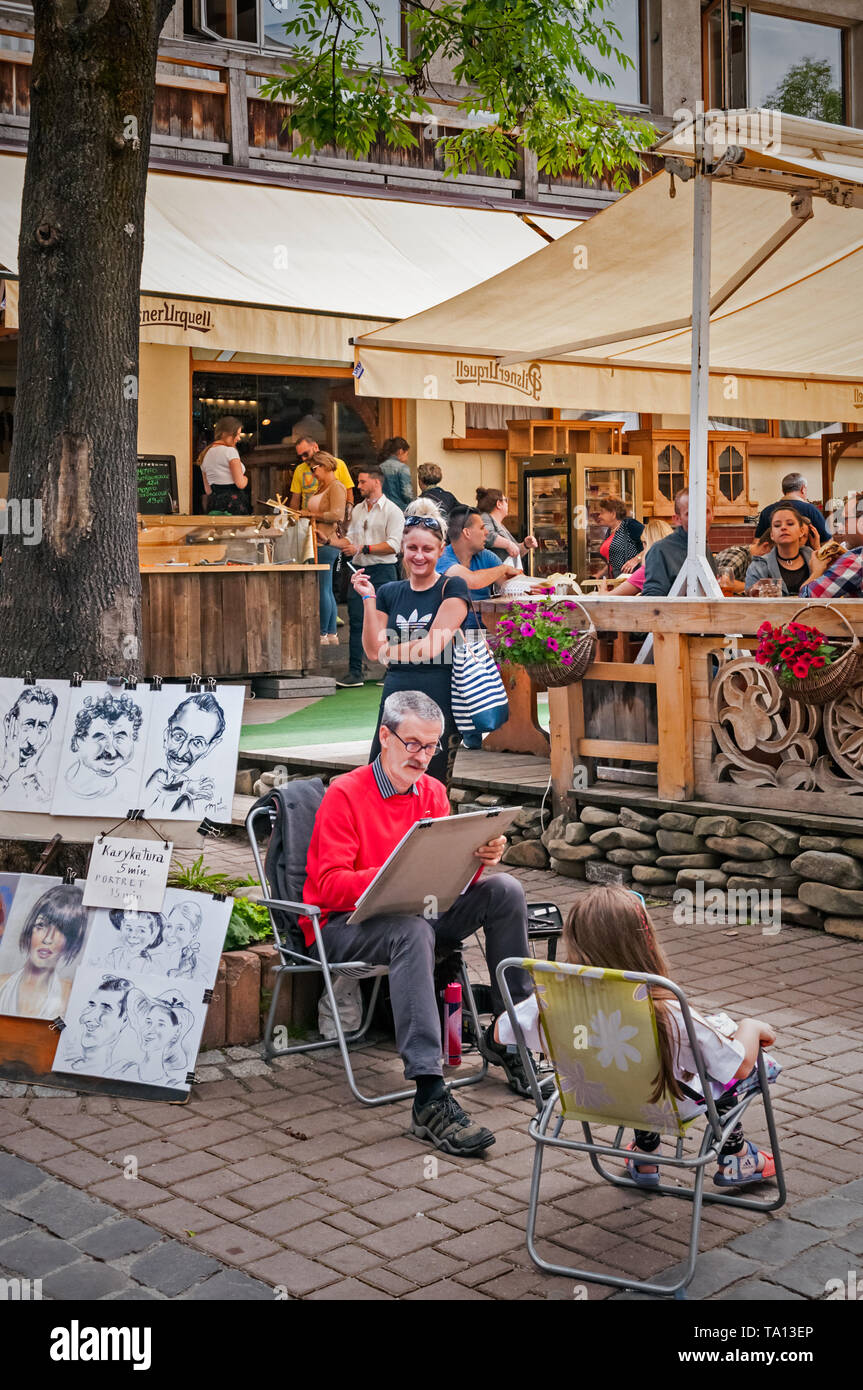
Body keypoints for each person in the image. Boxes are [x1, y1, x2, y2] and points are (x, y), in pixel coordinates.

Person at [301, 689, 542, 1156]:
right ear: (384, 736)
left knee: (505, 890)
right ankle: (430, 1094)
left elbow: (447, 880)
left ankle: (514, 1035)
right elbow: (328, 886)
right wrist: (396, 872)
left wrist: (477, 859)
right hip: (344, 926)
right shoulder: (345, 794)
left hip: (418, 912)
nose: (423, 757)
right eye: (413, 744)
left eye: (432, 746)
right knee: (413, 933)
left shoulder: (432, 792)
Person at [497, 885, 780, 1188]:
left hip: (594, 1098)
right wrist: (751, 1026)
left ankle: (646, 1155)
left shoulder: (553, 1005)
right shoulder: (668, 1010)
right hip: (669, 1104)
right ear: (644, 942)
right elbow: (737, 1066)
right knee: (757, 1065)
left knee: (637, 1067)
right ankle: (736, 1156)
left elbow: (502, 1032)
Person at [354, 501, 470, 786]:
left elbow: (431, 647)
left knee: (432, 781)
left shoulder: (452, 587)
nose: (419, 556)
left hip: (438, 694)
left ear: (441, 551)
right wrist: (368, 599)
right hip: (395, 695)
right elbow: (371, 650)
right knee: (383, 777)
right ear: (401, 551)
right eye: (412, 549)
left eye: (427, 549)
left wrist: (387, 651)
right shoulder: (389, 592)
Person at [332, 467, 405, 688]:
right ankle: (355, 672)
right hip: (360, 569)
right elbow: (351, 540)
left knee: (389, 621)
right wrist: (333, 541)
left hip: (384, 571)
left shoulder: (393, 511)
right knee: (356, 619)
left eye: (363, 482)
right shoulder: (357, 510)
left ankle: (392, 669)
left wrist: (361, 548)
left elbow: (394, 545)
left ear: (376, 482)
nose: (359, 486)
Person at [0, 884, 89, 1019]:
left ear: (72, 939)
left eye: (61, 930)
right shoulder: (2, 985)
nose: (48, 939)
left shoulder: (72, 995)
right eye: (41, 925)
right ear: (30, 929)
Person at [435, 506, 520, 625]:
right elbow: (472, 580)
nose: (486, 532)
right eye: (482, 528)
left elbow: (511, 583)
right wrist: (504, 568)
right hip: (453, 635)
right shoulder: (442, 557)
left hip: (487, 631)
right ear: (467, 533)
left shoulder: (486, 556)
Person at [145, 693, 225, 815]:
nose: (181, 752)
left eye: (197, 742)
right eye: (179, 736)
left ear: (208, 748)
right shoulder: (158, 776)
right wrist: (184, 788)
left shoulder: (208, 790)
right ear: (166, 735)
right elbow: (147, 796)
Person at [64, 694, 144, 800]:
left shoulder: (135, 785)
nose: (111, 752)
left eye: (119, 738)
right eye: (100, 739)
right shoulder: (52, 785)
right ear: (78, 741)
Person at [306, 452, 348, 646]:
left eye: (314, 469)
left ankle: (323, 632)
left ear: (324, 465)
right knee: (326, 588)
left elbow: (336, 514)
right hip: (319, 542)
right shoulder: (321, 487)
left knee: (323, 588)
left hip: (327, 541)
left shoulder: (336, 486)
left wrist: (311, 514)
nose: (312, 473)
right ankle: (330, 633)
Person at [642, 490, 717, 597]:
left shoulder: (703, 548)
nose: (700, 518)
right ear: (677, 519)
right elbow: (652, 600)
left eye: (706, 512)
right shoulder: (660, 550)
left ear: (713, 515)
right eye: (691, 513)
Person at [0, 685, 59, 805]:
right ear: (8, 723)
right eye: (28, 725)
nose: (32, 740)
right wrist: (6, 771)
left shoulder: (48, 780)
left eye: (42, 727)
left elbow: (41, 807)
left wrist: (30, 774)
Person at [66, 976, 134, 1073]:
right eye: (91, 1005)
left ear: (124, 1021)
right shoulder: (66, 1060)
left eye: (106, 1008)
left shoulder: (123, 1071)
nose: (88, 1016)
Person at [744, 503, 814, 596]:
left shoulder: (816, 561)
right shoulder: (758, 566)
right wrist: (753, 593)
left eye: (790, 524)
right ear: (772, 535)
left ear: (801, 531)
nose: (783, 527)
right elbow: (750, 605)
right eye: (777, 525)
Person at [598, 519, 673, 595]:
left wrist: (603, 588)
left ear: (646, 543)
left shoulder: (648, 571)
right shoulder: (674, 566)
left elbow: (606, 597)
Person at [755, 472, 829, 547]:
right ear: (803, 489)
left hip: (772, 557)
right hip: (808, 558)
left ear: (783, 491)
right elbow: (828, 543)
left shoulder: (766, 511)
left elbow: (757, 543)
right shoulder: (812, 510)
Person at [475, 488, 538, 571]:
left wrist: (525, 545)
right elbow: (484, 534)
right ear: (499, 504)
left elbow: (514, 552)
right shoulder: (485, 517)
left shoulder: (499, 524)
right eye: (506, 500)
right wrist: (508, 544)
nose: (507, 504)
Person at [198, 416, 250, 515]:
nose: (239, 438)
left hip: (214, 504)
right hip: (233, 504)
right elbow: (240, 483)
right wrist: (246, 479)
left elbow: (208, 490)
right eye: (237, 434)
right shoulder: (230, 451)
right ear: (227, 434)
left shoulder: (205, 454)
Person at [289, 437, 354, 511]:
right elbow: (295, 499)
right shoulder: (299, 469)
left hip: (331, 516)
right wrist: (293, 518)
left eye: (305, 454)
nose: (303, 459)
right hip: (307, 518)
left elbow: (348, 490)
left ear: (315, 447)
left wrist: (348, 509)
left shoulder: (339, 464)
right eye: (300, 456)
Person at [100, 908, 166, 974]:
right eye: (129, 929)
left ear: (153, 936)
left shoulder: (150, 965)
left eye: (141, 931)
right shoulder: (113, 956)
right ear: (121, 928)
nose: (133, 935)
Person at [595, 496, 644, 577]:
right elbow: (615, 562)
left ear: (613, 514)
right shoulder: (610, 531)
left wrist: (636, 559)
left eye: (602, 512)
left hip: (632, 581)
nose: (599, 516)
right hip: (618, 580)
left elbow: (653, 542)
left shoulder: (630, 525)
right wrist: (599, 575)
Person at [377, 436, 414, 511]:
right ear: (401, 451)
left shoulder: (379, 467)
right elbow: (407, 494)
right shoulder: (403, 468)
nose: (407, 458)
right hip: (399, 509)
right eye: (407, 454)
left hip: (382, 508)